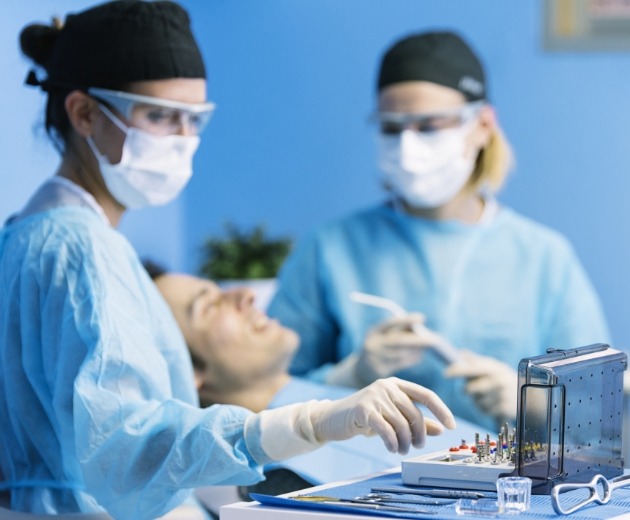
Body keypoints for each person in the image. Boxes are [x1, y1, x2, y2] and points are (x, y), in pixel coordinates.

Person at [0, 4, 456, 519]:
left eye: (193, 119)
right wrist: (313, 422)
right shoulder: (79, 248)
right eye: (158, 116)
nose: (181, 139)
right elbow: (127, 449)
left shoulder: (29, 233)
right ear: (83, 113)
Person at [267, 30, 610, 432]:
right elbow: (268, 395)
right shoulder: (331, 249)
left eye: (429, 126)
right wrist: (350, 376)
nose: (408, 147)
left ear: (482, 125)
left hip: (509, 487)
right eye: (392, 129)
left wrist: (531, 403)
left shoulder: (543, 257)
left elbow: (598, 412)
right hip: (363, 482)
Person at [145, 265, 481, 514]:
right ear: (188, 371)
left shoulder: (330, 390)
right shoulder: (265, 483)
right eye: (210, 305)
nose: (245, 294)